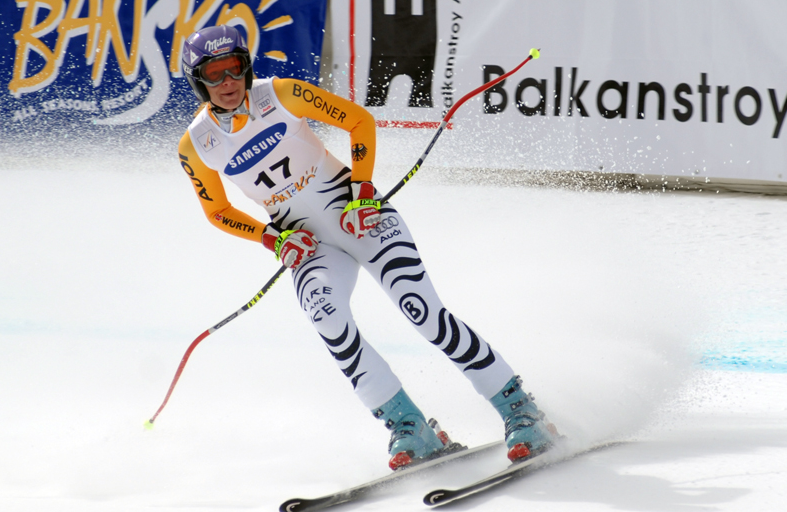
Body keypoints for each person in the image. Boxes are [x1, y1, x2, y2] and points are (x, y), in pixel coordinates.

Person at [177, 25, 556, 469]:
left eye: (234, 68)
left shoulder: (280, 94)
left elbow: (359, 121)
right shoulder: (195, 144)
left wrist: (361, 191)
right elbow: (217, 210)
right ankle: (409, 426)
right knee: (328, 319)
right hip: (310, 246)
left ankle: (519, 408)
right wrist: (272, 238)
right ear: (198, 81)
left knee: (423, 311)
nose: (228, 82)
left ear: (246, 66)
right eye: (214, 74)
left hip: (361, 218)